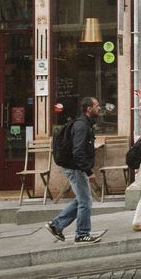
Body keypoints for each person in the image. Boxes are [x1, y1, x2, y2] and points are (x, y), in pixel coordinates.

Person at [45, 97, 105, 244]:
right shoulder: (82, 126)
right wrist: (88, 170)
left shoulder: (86, 124)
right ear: (89, 109)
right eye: (97, 105)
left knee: (82, 199)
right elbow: (78, 151)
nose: (99, 108)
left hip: (76, 167)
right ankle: (82, 234)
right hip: (75, 168)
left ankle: (56, 225)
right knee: (85, 201)